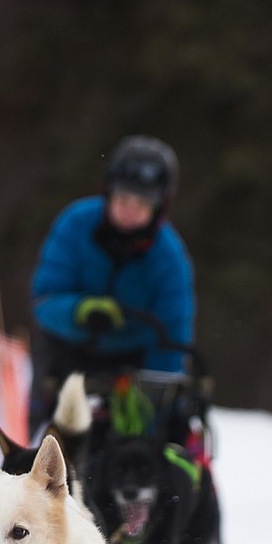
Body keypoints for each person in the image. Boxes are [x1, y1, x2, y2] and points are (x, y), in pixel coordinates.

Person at [27, 135, 194, 434]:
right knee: (48, 435)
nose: (130, 210)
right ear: (108, 193)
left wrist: (155, 405)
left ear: (160, 207)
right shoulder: (75, 224)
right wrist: (78, 312)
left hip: (131, 364)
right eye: (123, 199)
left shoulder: (170, 259)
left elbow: (172, 338)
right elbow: (44, 300)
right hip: (66, 351)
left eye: (142, 203)